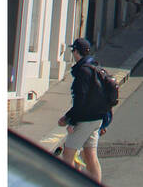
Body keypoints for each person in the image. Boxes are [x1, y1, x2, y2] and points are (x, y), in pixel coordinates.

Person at [58, 38, 109, 183]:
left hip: (85, 120)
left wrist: (70, 120)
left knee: (68, 154)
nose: (72, 53)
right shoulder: (95, 67)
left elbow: (80, 101)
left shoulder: (83, 72)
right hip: (97, 119)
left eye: (72, 50)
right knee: (90, 155)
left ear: (76, 51)